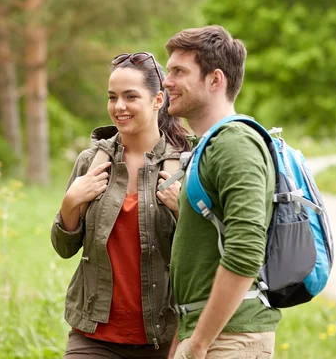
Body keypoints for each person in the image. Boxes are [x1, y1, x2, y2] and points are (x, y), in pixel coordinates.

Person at [51, 52, 190, 358]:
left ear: (157, 100)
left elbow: (201, 258)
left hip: (164, 335)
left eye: (130, 96)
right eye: (112, 97)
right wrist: (70, 201)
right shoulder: (91, 162)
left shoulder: (185, 165)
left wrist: (183, 210)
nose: (119, 107)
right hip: (94, 335)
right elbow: (64, 248)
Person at [164, 26, 282, 359]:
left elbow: (245, 251)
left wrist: (200, 343)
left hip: (230, 341)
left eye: (179, 72)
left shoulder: (235, 144)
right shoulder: (211, 144)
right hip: (210, 334)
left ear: (215, 80)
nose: (166, 81)